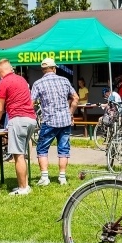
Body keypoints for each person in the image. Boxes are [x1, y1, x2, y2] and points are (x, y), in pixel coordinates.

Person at [0, 59, 37, 196]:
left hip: (18, 119)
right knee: (22, 153)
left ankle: (23, 188)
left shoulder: (3, 83)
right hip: (31, 119)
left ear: (0, 71)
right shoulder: (21, 79)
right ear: (10, 68)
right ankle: (25, 185)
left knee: (18, 156)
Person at [31, 57, 78, 186]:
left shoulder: (38, 83)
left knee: (42, 149)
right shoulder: (64, 80)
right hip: (65, 121)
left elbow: (31, 102)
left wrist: (33, 115)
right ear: (54, 68)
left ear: (43, 70)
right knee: (63, 149)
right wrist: (70, 113)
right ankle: (62, 177)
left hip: (49, 120)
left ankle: (45, 178)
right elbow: (76, 98)